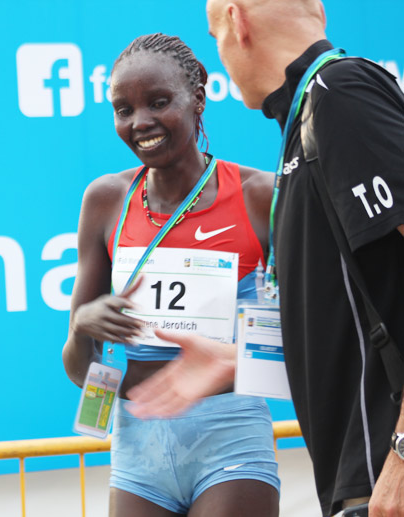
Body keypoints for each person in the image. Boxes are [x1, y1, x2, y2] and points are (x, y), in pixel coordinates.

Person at [126, 1, 404, 516]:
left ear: (236, 20)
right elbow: (343, 318)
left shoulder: (339, 94)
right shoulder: (306, 119)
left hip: (385, 475)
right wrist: (233, 361)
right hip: (359, 480)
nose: (222, 56)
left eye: (213, 36)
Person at [62, 33, 280, 517]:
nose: (141, 122)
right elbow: (81, 371)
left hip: (230, 443)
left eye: (159, 102)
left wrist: (229, 359)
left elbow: (299, 346)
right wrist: (83, 326)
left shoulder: (260, 195)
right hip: (138, 447)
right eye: (124, 109)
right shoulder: (105, 200)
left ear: (198, 97)